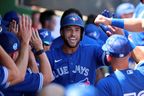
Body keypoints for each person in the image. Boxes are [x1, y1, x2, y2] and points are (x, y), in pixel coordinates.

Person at [46, 12, 107, 87]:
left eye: (77, 30)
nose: (73, 34)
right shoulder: (50, 55)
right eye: (69, 30)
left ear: (82, 34)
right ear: (61, 32)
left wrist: (115, 36)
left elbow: (112, 59)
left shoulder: (93, 50)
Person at [0, 15, 53, 96]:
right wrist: (35, 47)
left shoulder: (3, 73)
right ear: (14, 55)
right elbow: (47, 78)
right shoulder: (14, 79)